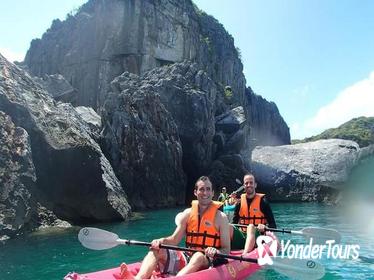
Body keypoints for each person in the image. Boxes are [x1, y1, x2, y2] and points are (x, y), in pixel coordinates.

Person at [118, 176, 231, 279]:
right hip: (188, 257)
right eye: (201, 189)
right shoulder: (187, 214)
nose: (204, 192)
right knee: (158, 249)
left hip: (208, 260)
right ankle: (138, 278)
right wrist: (160, 241)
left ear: (212, 193)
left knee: (198, 256)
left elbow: (226, 249)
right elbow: (174, 240)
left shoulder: (221, 218)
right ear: (195, 192)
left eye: (208, 189)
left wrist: (215, 250)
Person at [232, 173, 276, 254]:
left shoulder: (263, 202)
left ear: (255, 185)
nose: (249, 185)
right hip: (243, 237)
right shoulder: (239, 202)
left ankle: (245, 254)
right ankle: (223, 252)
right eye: (246, 183)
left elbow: (273, 225)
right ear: (244, 186)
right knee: (228, 226)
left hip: (258, 237)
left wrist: (265, 226)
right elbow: (234, 224)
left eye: (251, 183)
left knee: (251, 227)